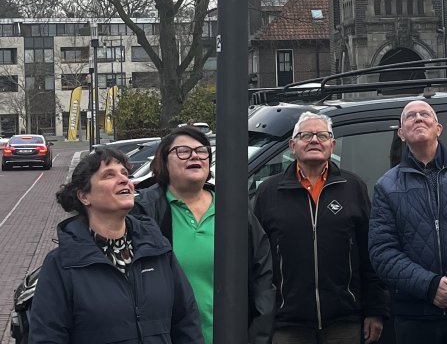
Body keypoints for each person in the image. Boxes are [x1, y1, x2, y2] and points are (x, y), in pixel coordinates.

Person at [29, 147, 202, 344]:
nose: (123, 180)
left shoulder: (158, 250)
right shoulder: (62, 264)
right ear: (84, 196)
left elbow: (186, 323)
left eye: (125, 174)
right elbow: (47, 337)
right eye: (108, 175)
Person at [253, 111, 389, 344]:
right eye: (306, 135)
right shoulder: (268, 191)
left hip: (344, 322)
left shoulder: (353, 187)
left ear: (332, 145)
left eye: (322, 136)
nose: (315, 140)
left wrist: (375, 310)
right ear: (292, 145)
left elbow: (370, 254)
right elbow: (257, 259)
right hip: (287, 324)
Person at [369, 99, 447, 344]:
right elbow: (382, 252)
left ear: (438, 127)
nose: (418, 118)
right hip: (416, 316)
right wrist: (430, 286)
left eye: (425, 114)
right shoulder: (386, 186)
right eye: (410, 116)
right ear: (401, 134)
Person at [134, 126, 275, 344]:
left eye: (201, 151)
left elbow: (262, 277)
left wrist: (257, 336)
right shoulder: (144, 211)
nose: (195, 156)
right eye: (183, 151)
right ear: (163, 161)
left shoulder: (233, 209)